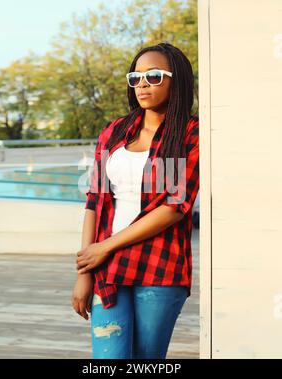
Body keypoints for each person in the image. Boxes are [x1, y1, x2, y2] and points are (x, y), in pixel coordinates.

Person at [72, 42, 199, 359]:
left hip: (159, 268)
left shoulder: (189, 133)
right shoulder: (115, 131)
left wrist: (106, 246)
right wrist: (84, 272)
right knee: (109, 358)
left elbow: (173, 208)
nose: (143, 84)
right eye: (136, 77)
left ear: (177, 79)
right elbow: (94, 201)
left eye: (154, 76)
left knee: (146, 360)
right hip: (107, 267)